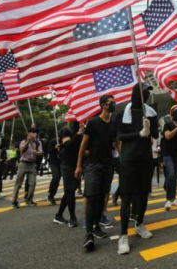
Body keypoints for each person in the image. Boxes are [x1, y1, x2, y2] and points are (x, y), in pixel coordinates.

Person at [115, 83, 158, 254]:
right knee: (126, 196)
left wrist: (150, 130)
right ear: (136, 93)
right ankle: (123, 235)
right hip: (128, 159)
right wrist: (139, 133)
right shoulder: (122, 114)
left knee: (143, 193)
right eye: (144, 91)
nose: (146, 94)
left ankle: (139, 223)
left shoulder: (151, 112)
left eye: (148, 92)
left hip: (145, 158)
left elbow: (155, 133)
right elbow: (120, 136)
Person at [75, 95, 116, 250]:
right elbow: (83, 145)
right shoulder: (93, 122)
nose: (113, 104)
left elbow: (116, 144)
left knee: (102, 198)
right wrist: (79, 166)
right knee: (92, 197)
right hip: (92, 165)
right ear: (103, 105)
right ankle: (89, 233)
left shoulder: (113, 124)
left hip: (108, 166)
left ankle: (97, 225)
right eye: (111, 102)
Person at [54, 125, 82, 227]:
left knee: (69, 192)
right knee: (70, 190)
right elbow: (68, 146)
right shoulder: (66, 136)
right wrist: (78, 135)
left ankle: (59, 215)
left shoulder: (73, 137)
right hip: (67, 167)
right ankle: (72, 217)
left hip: (74, 166)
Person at [162, 104, 177, 210]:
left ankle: (173, 198)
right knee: (171, 174)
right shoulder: (167, 124)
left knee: (173, 176)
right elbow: (167, 136)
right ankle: (168, 199)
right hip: (167, 154)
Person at [11, 128, 43, 208]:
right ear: (28, 133)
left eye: (35, 133)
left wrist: (37, 153)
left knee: (32, 183)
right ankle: (14, 201)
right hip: (23, 163)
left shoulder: (38, 143)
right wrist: (28, 141)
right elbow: (22, 150)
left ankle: (29, 200)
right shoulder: (23, 141)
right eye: (33, 132)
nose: (34, 134)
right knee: (18, 183)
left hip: (32, 164)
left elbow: (41, 152)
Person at [47, 137, 61, 205]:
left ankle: (52, 195)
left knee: (58, 178)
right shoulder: (53, 141)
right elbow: (49, 151)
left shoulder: (65, 141)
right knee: (56, 176)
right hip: (53, 162)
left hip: (61, 162)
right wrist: (55, 147)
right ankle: (50, 193)